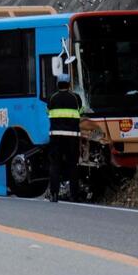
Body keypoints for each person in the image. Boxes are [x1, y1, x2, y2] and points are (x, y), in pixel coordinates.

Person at [46, 72, 82, 202]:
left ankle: (54, 194)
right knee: (73, 165)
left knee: (55, 164)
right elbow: (81, 112)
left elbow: (48, 112)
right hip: (72, 136)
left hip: (56, 136)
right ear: (69, 84)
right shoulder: (76, 97)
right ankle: (74, 195)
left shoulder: (52, 98)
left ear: (58, 84)